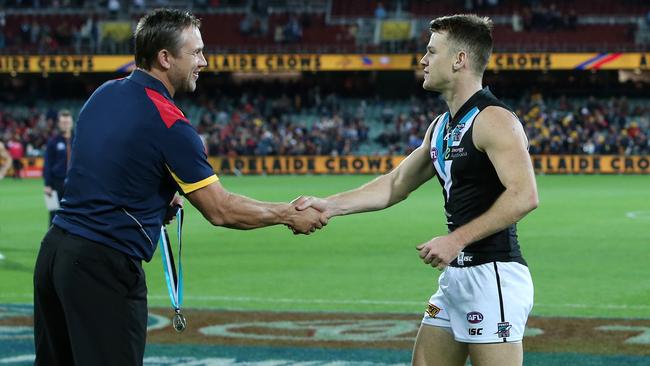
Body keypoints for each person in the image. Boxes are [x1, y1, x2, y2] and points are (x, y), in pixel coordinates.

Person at [33, 9, 326, 366]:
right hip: (101, 267)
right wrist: (286, 214)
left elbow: (105, 170)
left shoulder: (104, 94)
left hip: (54, 255)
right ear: (165, 58)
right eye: (197, 52)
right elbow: (221, 209)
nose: (204, 61)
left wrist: (154, 198)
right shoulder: (171, 123)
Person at [293, 14, 538, 366]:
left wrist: (456, 240)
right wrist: (328, 206)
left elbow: (524, 195)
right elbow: (394, 184)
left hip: (493, 274)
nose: (423, 60)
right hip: (457, 275)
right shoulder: (441, 126)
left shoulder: (494, 119)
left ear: (459, 60)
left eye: (431, 51)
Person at [43, 109, 74, 225]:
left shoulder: (78, 140)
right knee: (53, 213)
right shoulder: (53, 141)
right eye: (63, 122)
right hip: (57, 182)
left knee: (74, 213)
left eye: (67, 122)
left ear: (71, 122)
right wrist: (47, 184)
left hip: (74, 183)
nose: (65, 124)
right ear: (59, 124)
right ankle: (51, 242)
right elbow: (47, 163)